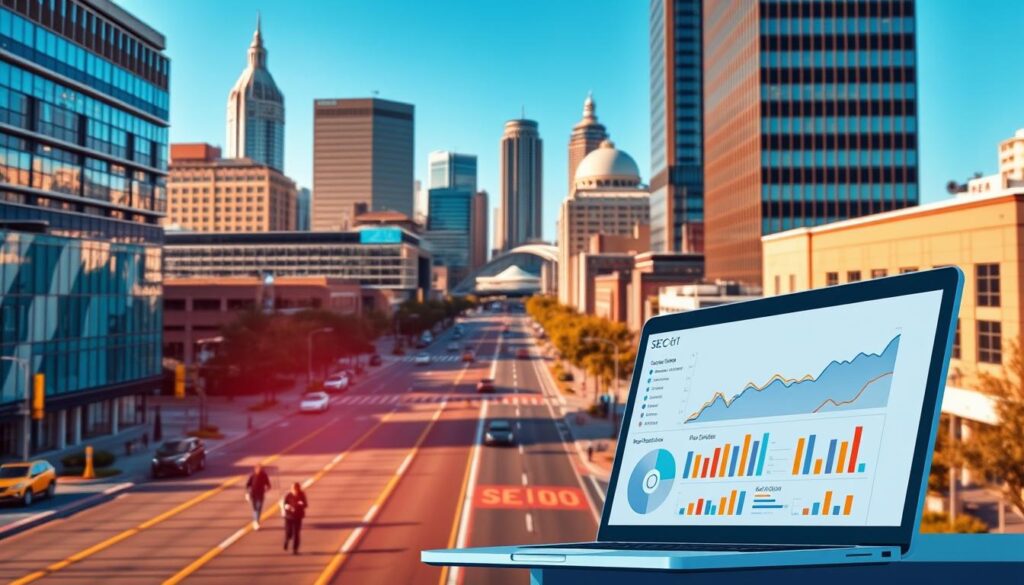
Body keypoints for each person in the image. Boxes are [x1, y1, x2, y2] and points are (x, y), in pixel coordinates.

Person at [281, 482, 308, 555]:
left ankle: (295, 549)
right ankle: (287, 540)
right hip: (289, 517)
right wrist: (287, 507)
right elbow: (284, 504)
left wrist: (300, 504)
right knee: (289, 532)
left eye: (295, 489)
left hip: (298, 517)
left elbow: (305, 504)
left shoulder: (301, 495)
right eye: (293, 489)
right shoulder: (288, 495)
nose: (294, 491)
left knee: (296, 533)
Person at [245, 464, 271, 531]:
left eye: (260, 469)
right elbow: (248, 484)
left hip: (260, 494)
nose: (258, 470)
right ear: (255, 469)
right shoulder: (252, 475)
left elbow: (268, 484)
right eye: (257, 469)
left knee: (259, 508)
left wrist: (267, 488)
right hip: (253, 494)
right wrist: (247, 492)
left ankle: (256, 521)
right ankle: (256, 521)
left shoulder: (264, 475)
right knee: (255, 509)